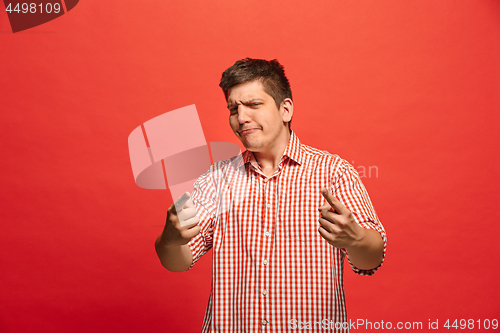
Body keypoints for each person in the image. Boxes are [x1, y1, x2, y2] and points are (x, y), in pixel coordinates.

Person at [155, 58, 387, 332]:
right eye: (233, 108)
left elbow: (371, 258)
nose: (241, 117)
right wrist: (170, 239)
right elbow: (178, 262)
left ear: (285, 109)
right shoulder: (217, 179)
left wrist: (356, 239)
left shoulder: (334, 172)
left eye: (253, 105)